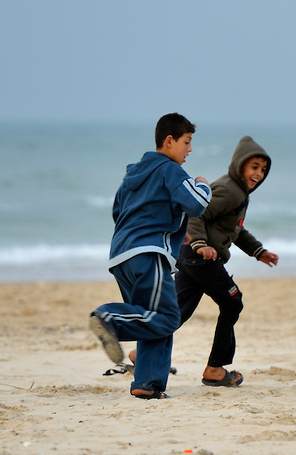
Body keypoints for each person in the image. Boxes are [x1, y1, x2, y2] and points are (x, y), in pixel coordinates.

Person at [127, 136, 278, 387]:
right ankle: (215, 369)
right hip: (200, 258)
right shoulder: (229, 190)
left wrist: (257, 251)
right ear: (239, 165)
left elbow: (234, 229)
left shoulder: (238, 193)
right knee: (232, 303)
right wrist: (200, 243)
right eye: (254, 167)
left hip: (189, 257)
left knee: (176, 311)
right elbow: (194, 213)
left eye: (263, 170)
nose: (259, 174)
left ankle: (141, 354)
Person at [90, 113, 211, 399]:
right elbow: (197, 203)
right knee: (168, 317)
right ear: (169, 141)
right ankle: (109, 319)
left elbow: (118, 211)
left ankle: (147, 385)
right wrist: (202, 183)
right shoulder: (169, 170)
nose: (189, 150)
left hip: (121, 256)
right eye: (187, 142)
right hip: (149, 254)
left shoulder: (133, 174)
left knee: (151, 316)